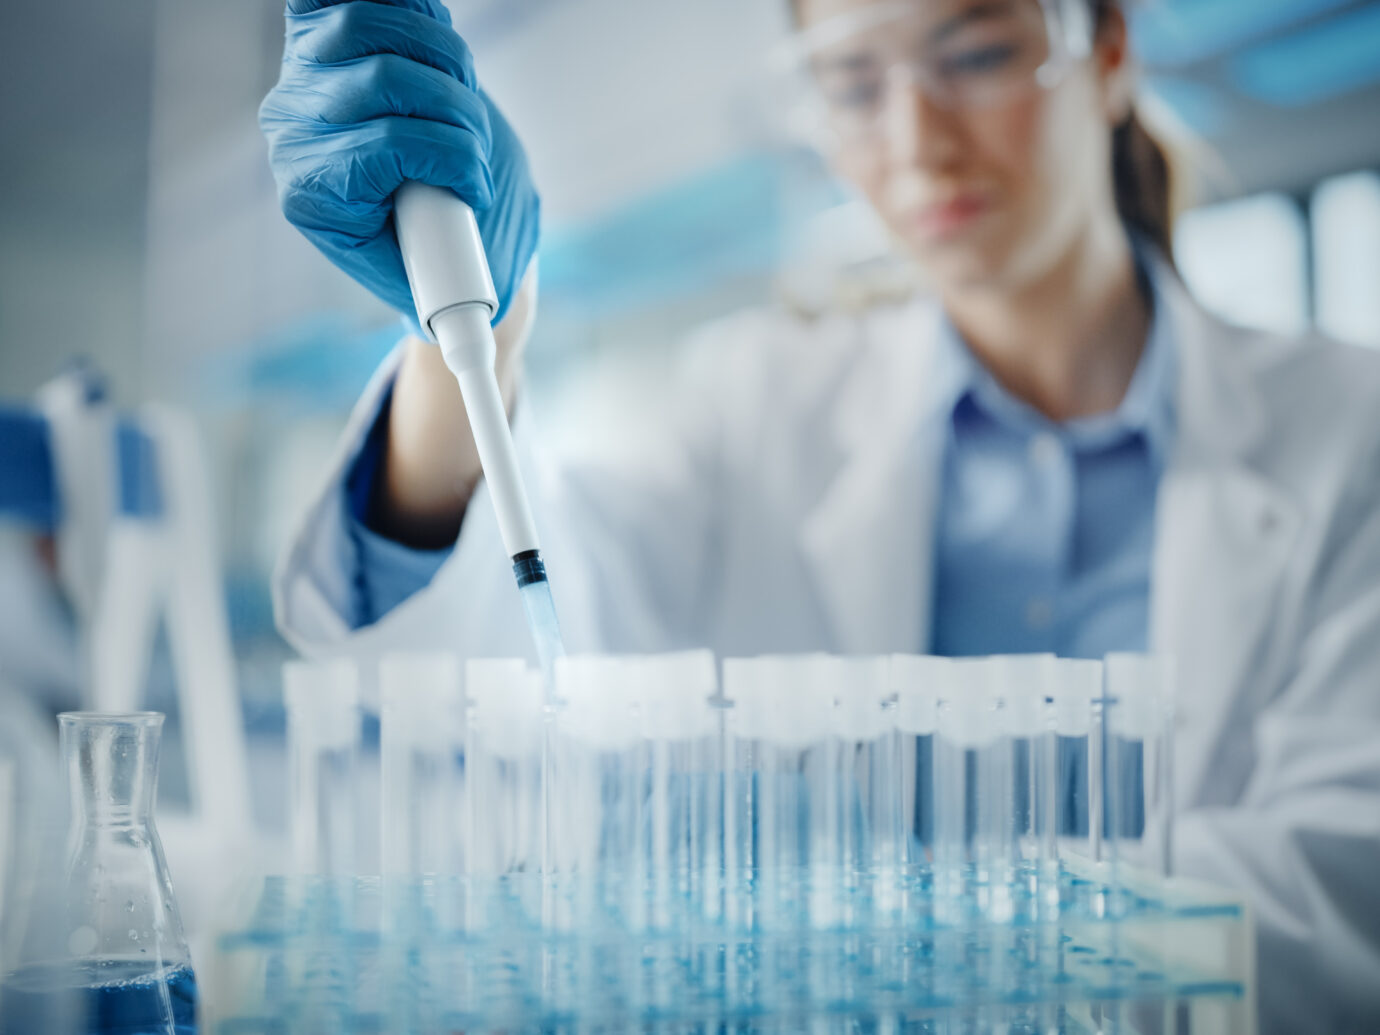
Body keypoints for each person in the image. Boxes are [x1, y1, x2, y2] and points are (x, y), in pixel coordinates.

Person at [260, 0, 1380, 1028]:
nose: (916, 137)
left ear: (1111, 49)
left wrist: (919, 965)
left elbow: (1341, 894)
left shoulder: (1351, 434)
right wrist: (474, 336)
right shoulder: (754, 407)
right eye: (851, 83)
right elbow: (525, 647)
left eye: (978, 52)